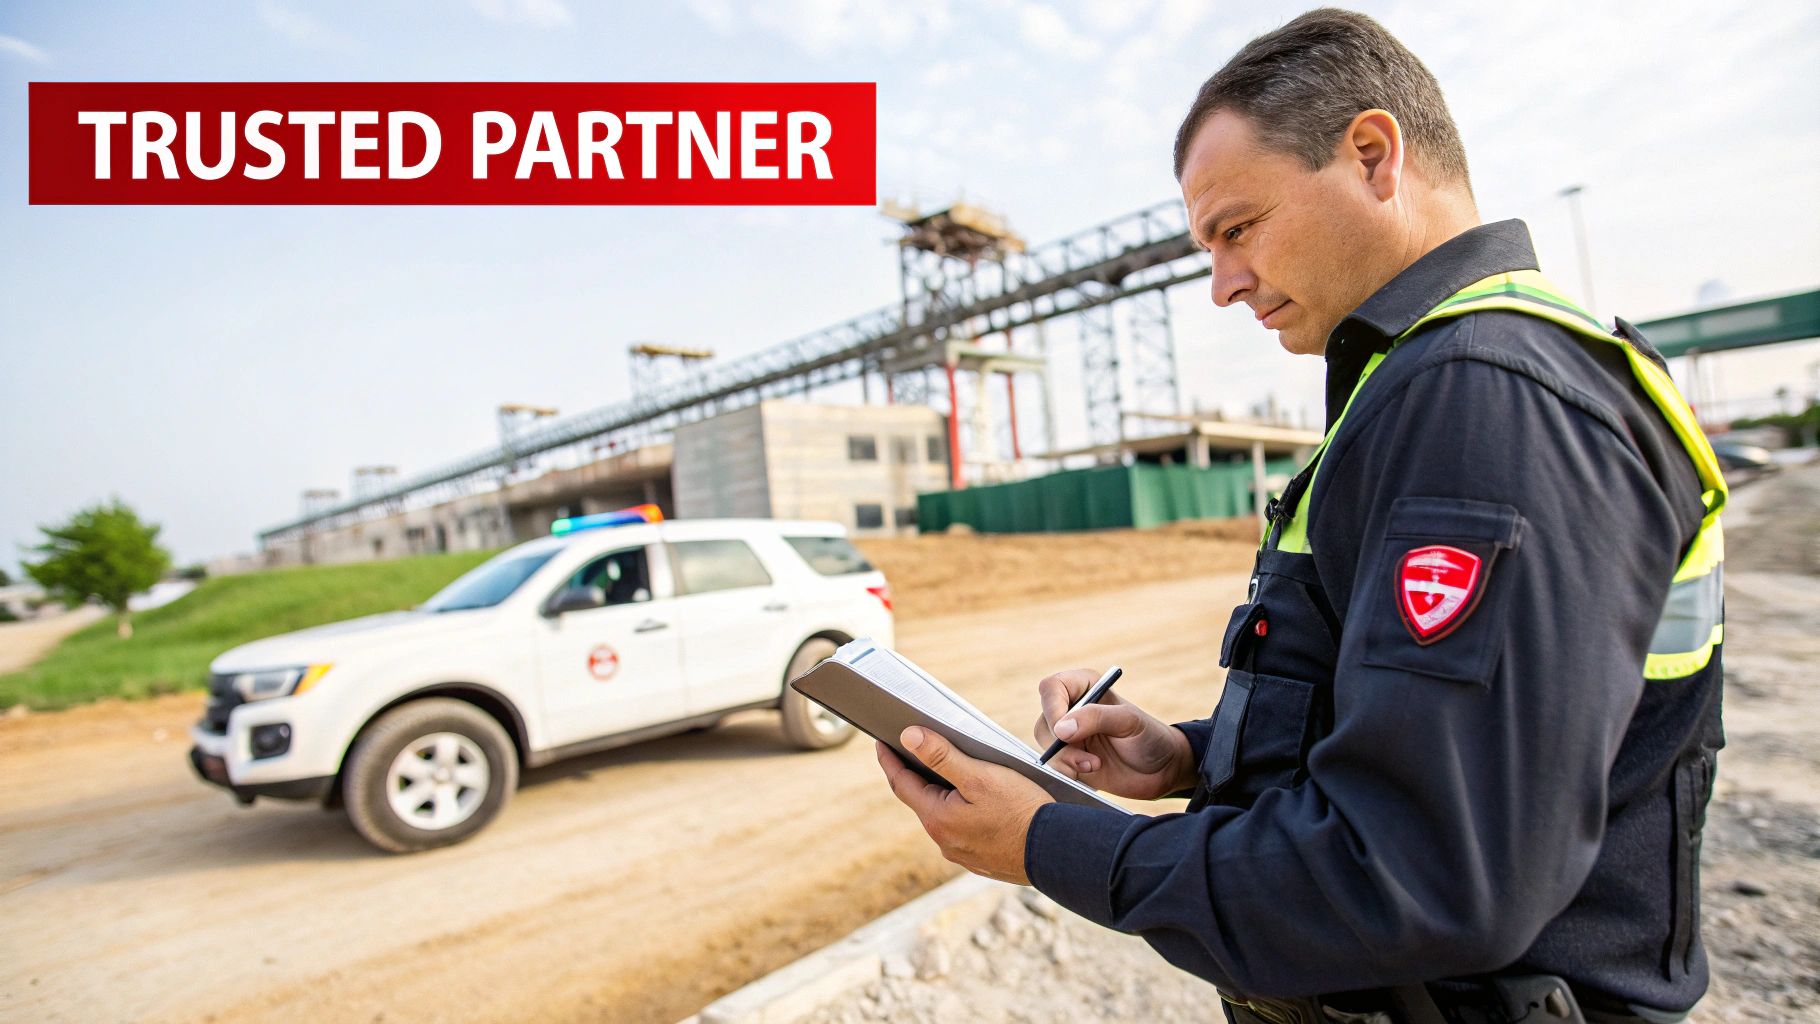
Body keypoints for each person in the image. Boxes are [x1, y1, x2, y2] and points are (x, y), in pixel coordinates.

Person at [874, 9, 1727, 1023]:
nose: (1221, 285)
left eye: (1236, 229)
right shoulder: (1428, 383)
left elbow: (1425, 873)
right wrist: (1188, 755)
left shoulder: (1484, 397)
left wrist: (1051, 840)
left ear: (1371, 155)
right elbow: (1424, 726)